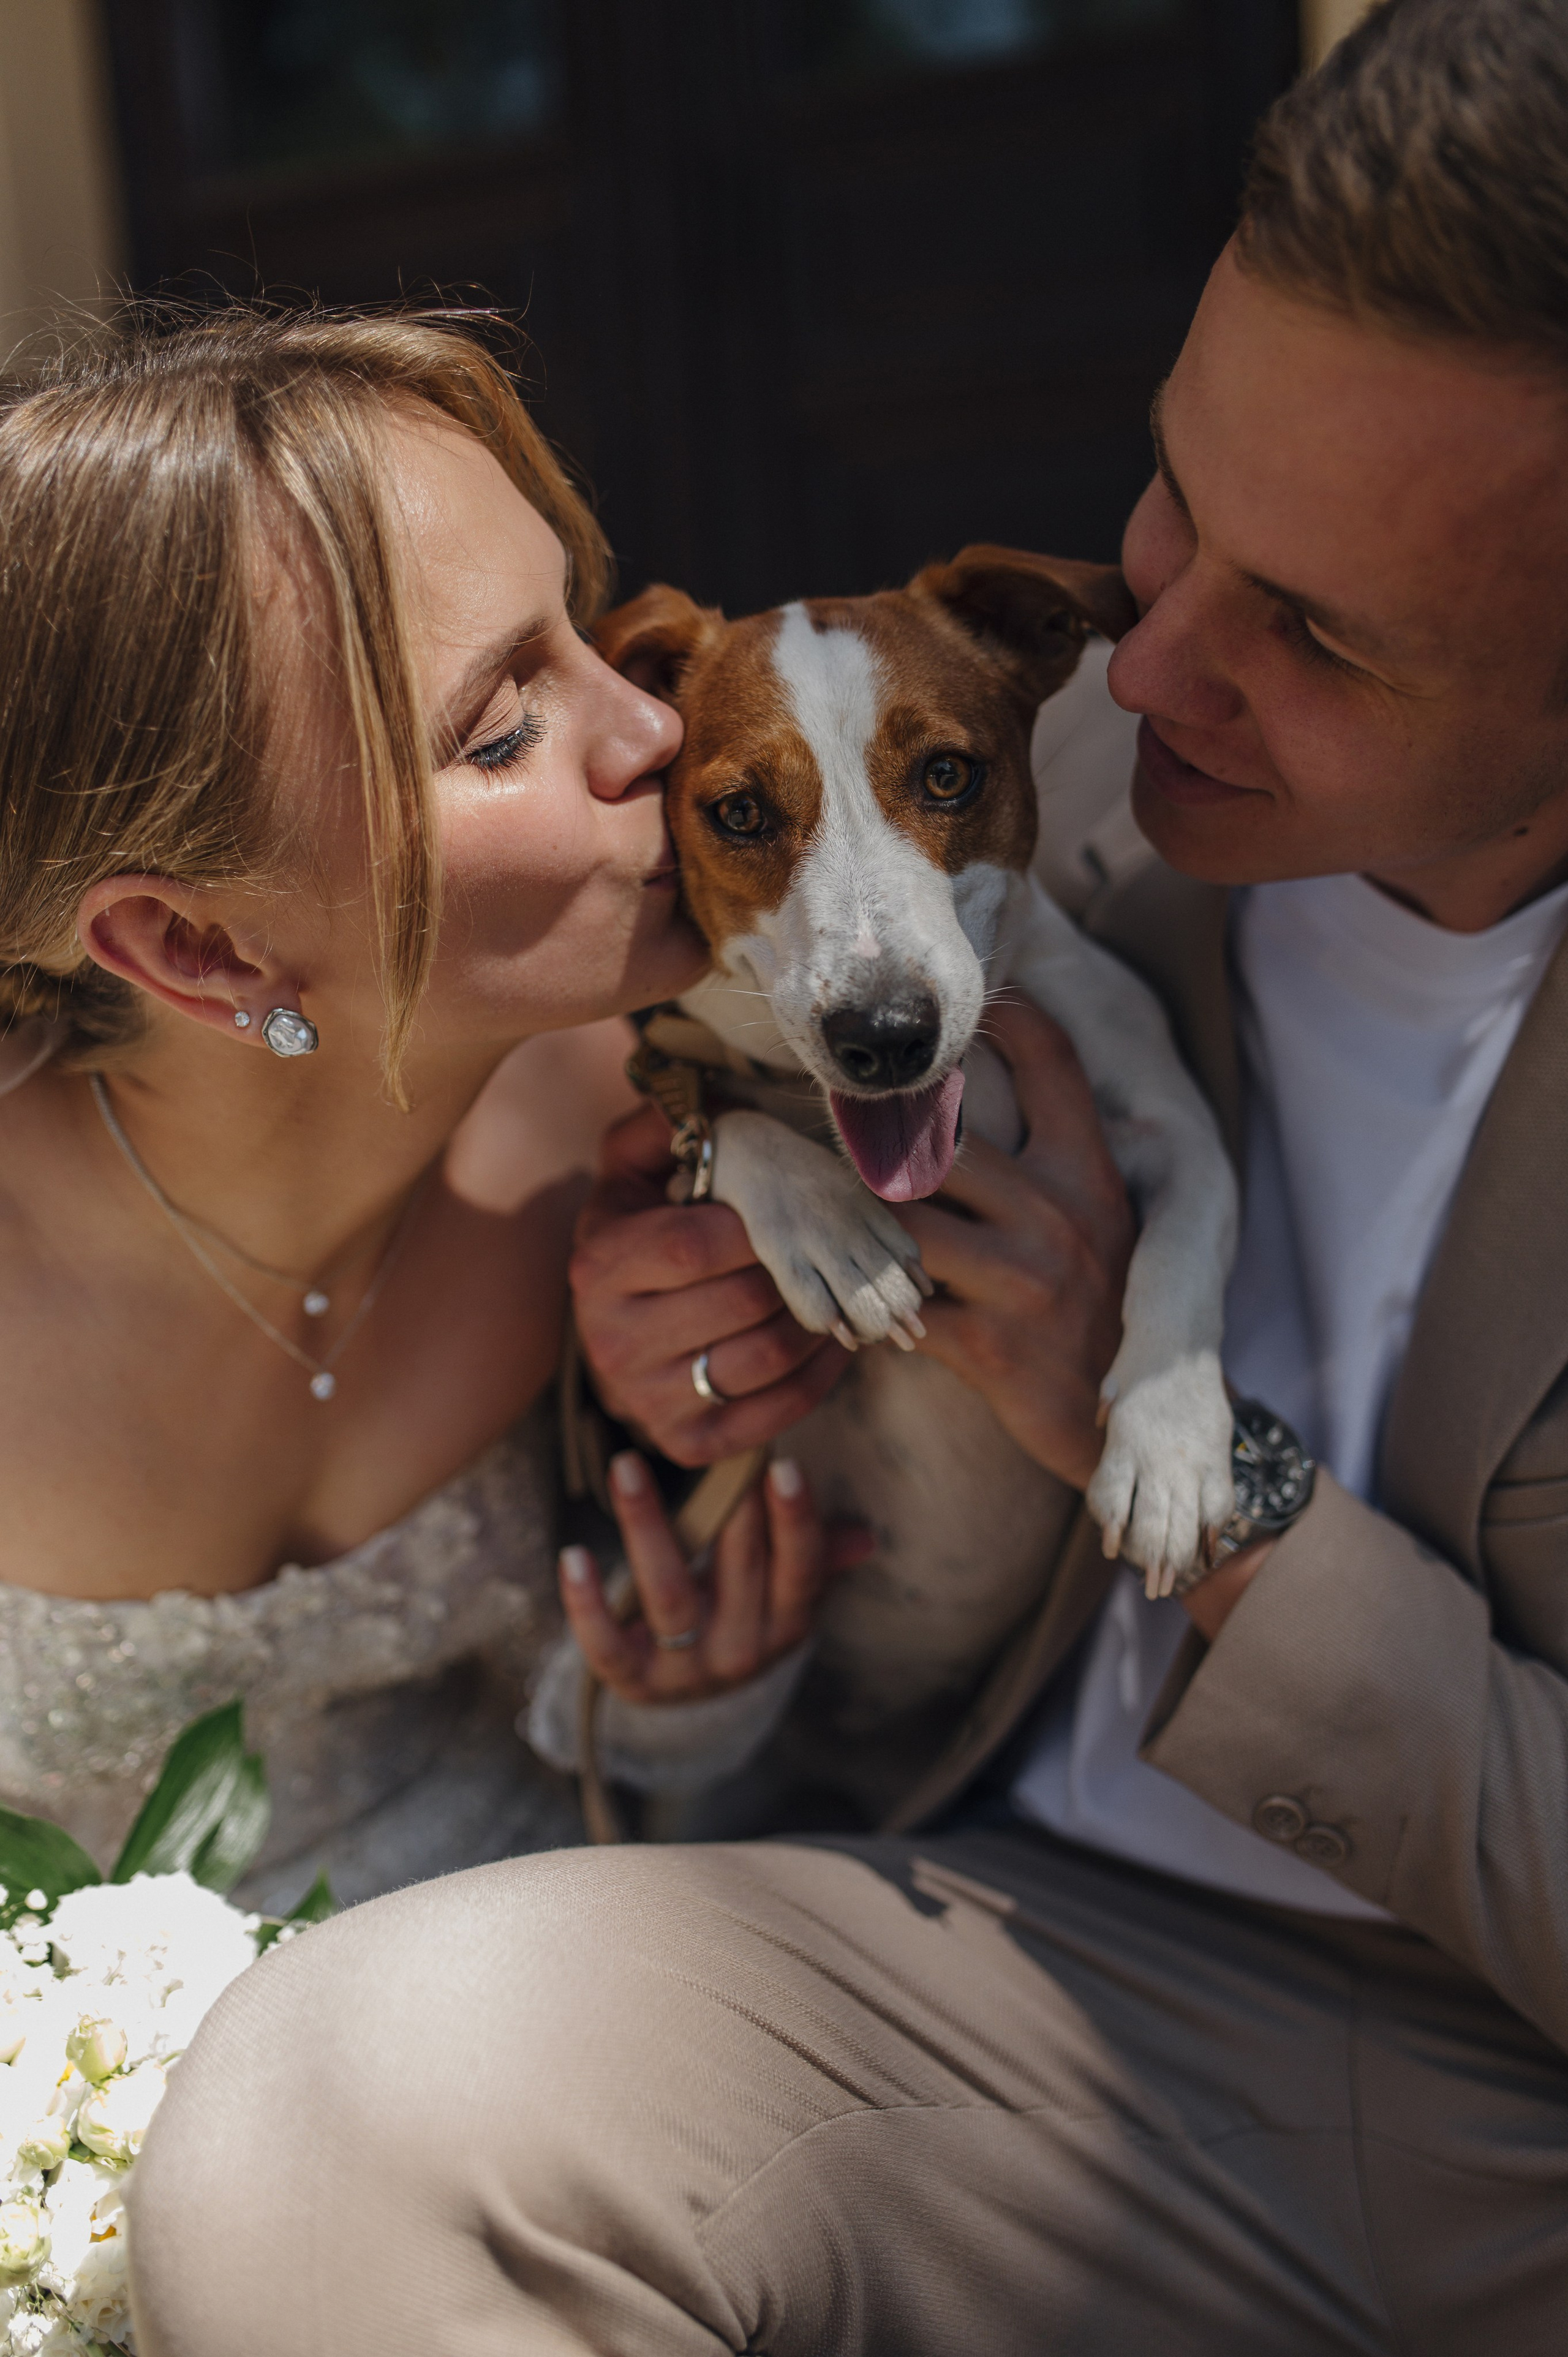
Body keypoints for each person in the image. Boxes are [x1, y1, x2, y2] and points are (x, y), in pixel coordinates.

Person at [127, 2, 1568, 2350]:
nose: (1152, 659)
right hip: (1006, 1958)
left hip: (1499, 2100)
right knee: (325, 2109)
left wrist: (1196, 1472)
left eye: (1310, 630)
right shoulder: (1016, 766)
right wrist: (680, 1378)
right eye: (1181, 506)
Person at [0, 308, 854, 1911]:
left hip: (553, 1989)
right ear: (199, 944)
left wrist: (671, 1697)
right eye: (505, 728)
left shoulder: (663, 1133)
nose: (657, 728)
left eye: (583, 635)